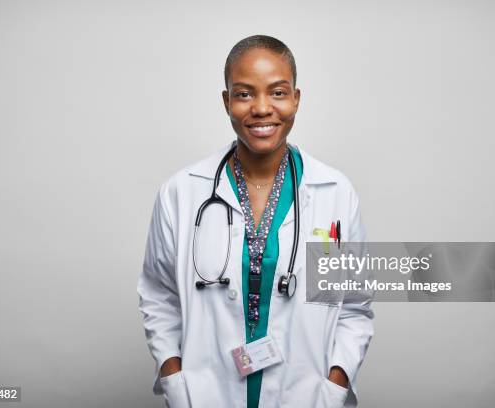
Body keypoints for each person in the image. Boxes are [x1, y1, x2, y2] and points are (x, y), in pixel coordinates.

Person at [138, 35, 374, 408]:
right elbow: (159, 297)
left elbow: (354, 306)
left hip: (305, 395)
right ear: (226, 101)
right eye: (244, 94)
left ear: (296, 98)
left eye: (277, 92)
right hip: (206, 394)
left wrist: (335, 383)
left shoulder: (335, 192)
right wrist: (174, 378)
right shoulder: (181, 192)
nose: (262, 108)